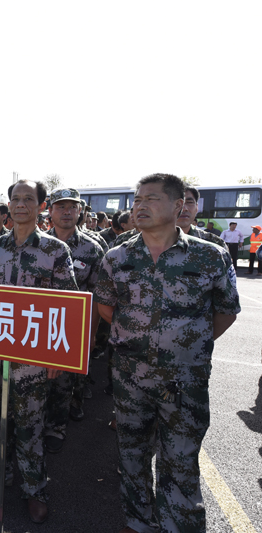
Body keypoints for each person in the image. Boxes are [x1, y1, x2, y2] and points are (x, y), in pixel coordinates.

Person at [94, 173, 240, 533]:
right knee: (132, 455)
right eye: (137, 199)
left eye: (151, 199)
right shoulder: (118, 256)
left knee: (181, 460)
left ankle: (180, 526)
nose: (140, 206)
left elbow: (225, 312)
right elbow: (106, 308)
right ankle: (139, 521)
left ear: (178, 206)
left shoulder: (210, 256)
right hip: (130, 376)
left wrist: (188, 342)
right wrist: (140, 337)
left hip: (184, 379)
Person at [0, 179, 77, 525]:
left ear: (41, 206)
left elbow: (68, 307)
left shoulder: (56, 251)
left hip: (34, 359)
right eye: (16, 198)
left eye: (29, 199)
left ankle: (33, 489)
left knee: (30, 425)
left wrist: (57, 358)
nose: (21, 204)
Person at [43, 188, 104, 440]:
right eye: (61, 207)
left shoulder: (92, 249)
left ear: (80, 211)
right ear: (50, 211)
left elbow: (97, 297)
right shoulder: (38, 243)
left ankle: (56, 430)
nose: (67, 212)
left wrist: (90, 334)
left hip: (71, 328)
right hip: (37, 325)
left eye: (72, 207)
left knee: (63, 383)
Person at [177, 187, 228, 252]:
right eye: (177, 203)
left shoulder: (215, 243)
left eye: (189, 202)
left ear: (197, 207)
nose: (184, 208)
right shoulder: (160, 243)